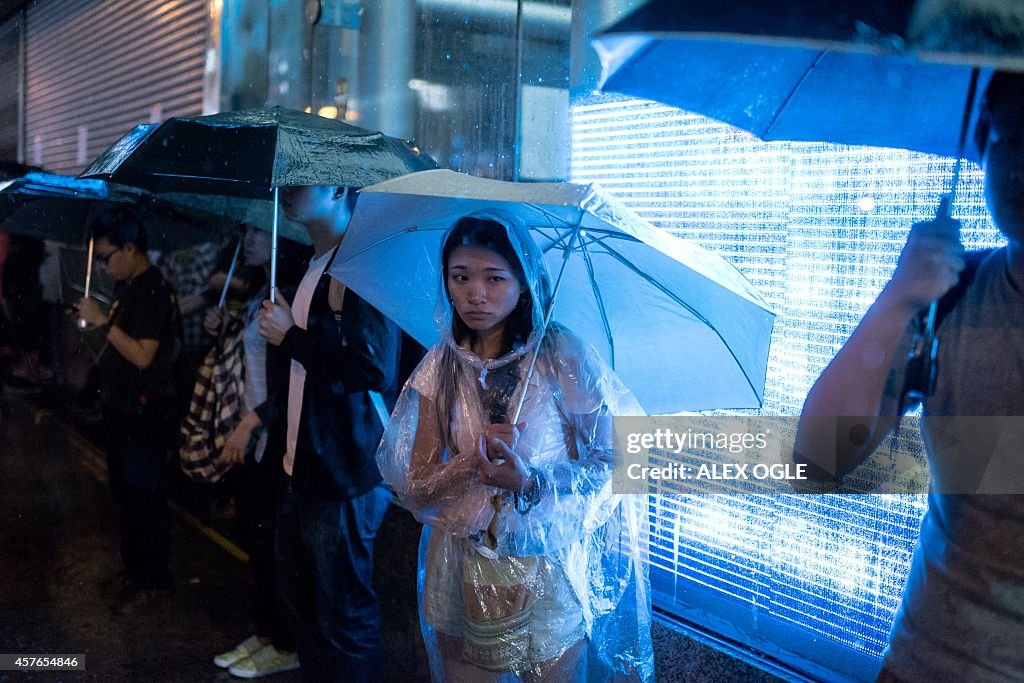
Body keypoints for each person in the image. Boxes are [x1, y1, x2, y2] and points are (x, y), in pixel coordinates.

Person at [795, 71, 1024, 682]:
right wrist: (899, 298)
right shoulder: (952, 295)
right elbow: (820, 458)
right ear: (980, 149)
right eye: (1009, 142)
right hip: (930, 658)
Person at [376, 212, 654, 682]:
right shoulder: (443, 363)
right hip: (461, 554)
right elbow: (415, 486)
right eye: (460, 277)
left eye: (494, 278)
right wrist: (470, 463)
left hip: (545, 557)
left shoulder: (563, 355)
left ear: (524, 283)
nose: (475, 294)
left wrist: (530, 479)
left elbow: (612, 460)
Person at [259, 185, 400, 681]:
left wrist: (291, 337)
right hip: (301, 466)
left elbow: (374, 368)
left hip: (343, 473)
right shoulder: (310, 263)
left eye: (302, 182)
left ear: (338, 189)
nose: (287, 193)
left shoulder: (360, 267)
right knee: (303, 607)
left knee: (345, 615)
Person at [206, 227, 309, 678]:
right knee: (255, 536)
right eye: (244, 232)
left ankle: (284, 643)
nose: (247, 240)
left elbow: (289, 378)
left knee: (272, 545)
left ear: (281, 240)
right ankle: (266, 634)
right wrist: (225, 326)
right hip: (256, 436)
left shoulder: (287, 296)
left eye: (257, 233)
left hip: (271, 434)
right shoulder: (256, 293)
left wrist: (252, 420)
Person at [76, 206, 183, 614]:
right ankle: (134, 569)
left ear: (130, 248)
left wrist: (103, 321)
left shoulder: (153, 289)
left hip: (147, 415)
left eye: (106, 257)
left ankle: (152, 578)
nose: (103, 267)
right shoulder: (129, 289)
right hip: (122, 412)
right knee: (126, 495)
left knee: (145, 499)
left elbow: (142, 355)